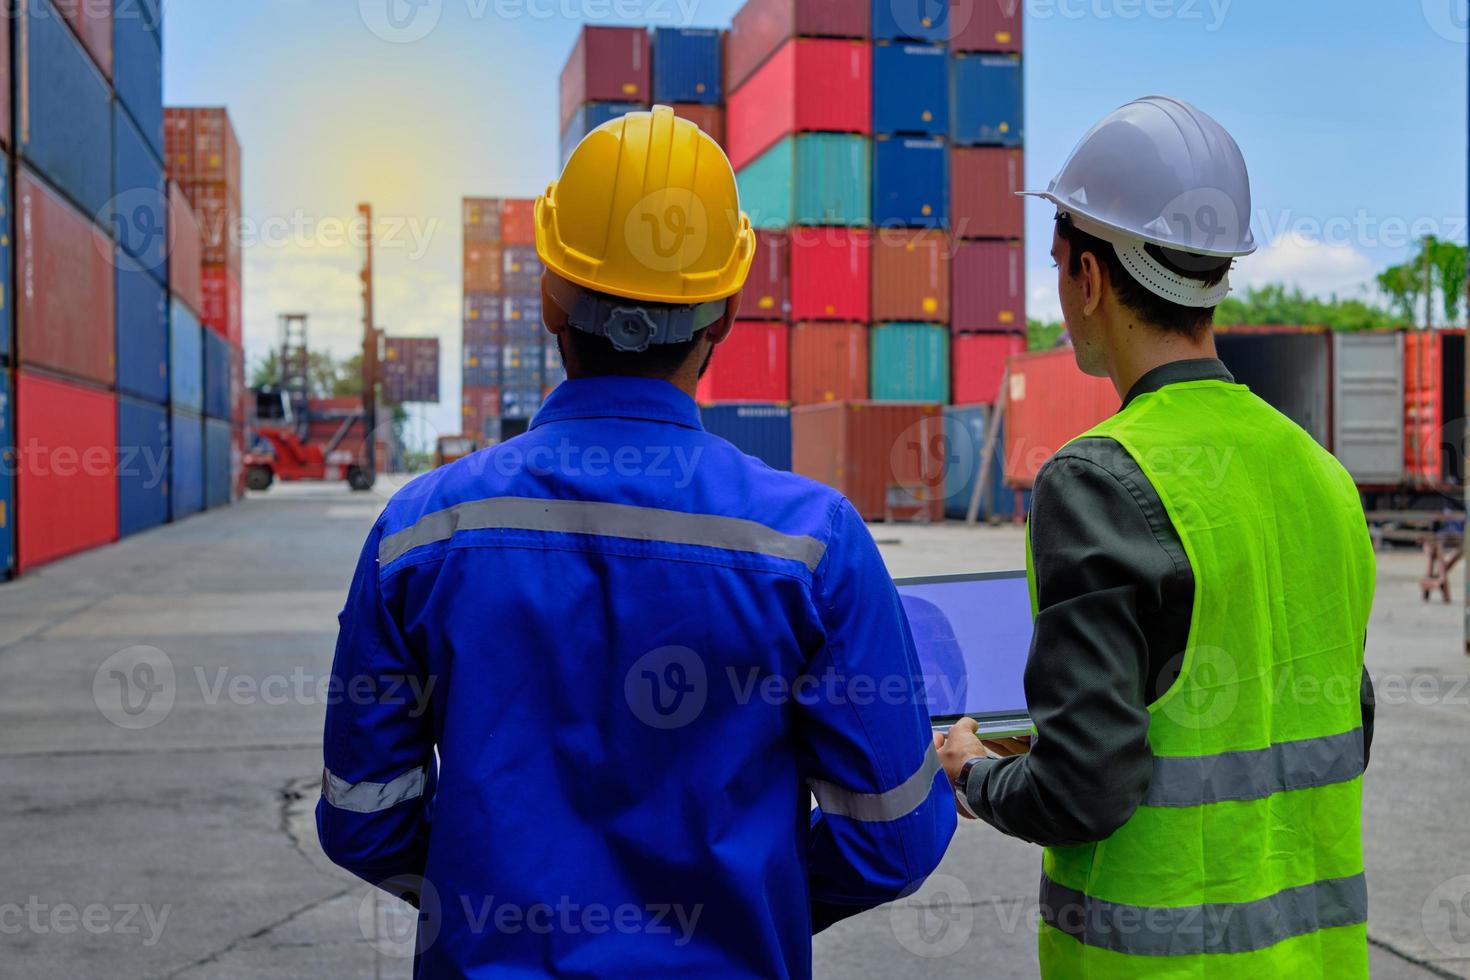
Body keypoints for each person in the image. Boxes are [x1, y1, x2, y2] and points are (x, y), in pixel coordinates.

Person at [318, 105, 955, 978]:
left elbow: (365, 818)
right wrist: (740, 911)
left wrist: (492, 901)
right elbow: (895, 841)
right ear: (724, 312)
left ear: (549, 295)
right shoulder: (813, 545)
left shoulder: (419, 534)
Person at [935, 96, 1377, 978]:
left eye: (1058, 263)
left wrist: (973, 774)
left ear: (1091, 279)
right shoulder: (1321, 475)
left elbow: (1085, 785)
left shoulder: (1096, 479)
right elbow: (1341, 723)